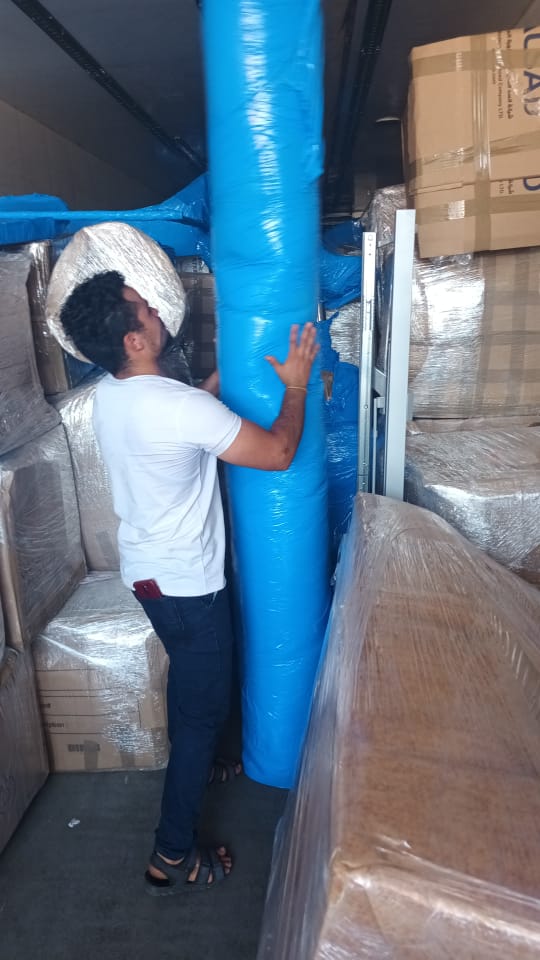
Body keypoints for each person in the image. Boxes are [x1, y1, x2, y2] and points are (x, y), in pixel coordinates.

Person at [60, 269, 319, 897]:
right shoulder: (180, 408)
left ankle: (200, 767)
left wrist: (219, 381)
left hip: (148, 576)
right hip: (188, 587)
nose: (154, 307)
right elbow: (279, 452)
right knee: (204, 713)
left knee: (191, 684)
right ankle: (171, 852)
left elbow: (179, 422)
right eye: (142, 307)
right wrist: (296, 383)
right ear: (133, 341)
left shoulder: (113, 393)